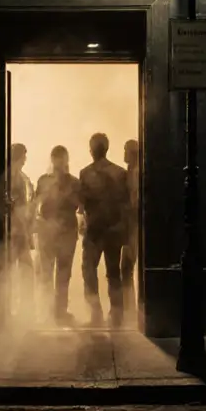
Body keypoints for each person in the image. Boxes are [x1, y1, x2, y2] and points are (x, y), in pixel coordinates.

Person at [78, 133, 130, 327]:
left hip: (94, 230)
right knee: (113, 272)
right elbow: (125, 203)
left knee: (89, 270)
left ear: (91, 150)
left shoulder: (85, 173)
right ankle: (117, 315)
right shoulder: (120, 173)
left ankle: (95, 315)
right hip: (114, 229)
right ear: (106, 149)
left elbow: (81, 203)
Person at [33, 145, 82, 325]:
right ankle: (49, 311)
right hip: (51, 231)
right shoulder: (45, 180)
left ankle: (59, 311)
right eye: (57, 158)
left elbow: (78, 205)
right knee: (49, 272)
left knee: (62, 273)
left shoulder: (73, 182)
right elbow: (36, 203)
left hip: (65, 231)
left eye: (61, 158)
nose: (59, 162)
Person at [5, 143, 36, 317]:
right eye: (23, 156)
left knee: (24, 270)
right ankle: (15, 308)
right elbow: (16, 207)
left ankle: (24, 308)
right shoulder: (11, 177)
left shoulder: (21, 177)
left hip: (20, 230)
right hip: (15, 231)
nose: (25, 159)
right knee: (15, 271)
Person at [120, 139, 140, 309]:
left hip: (134, 225)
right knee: (127, 269)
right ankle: (130, 308)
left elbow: (134, 202)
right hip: (132, 225)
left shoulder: (135, 173)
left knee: (126, 268)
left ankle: (130, 309)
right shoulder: (131, 171)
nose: (124, 153)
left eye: (126, 150)